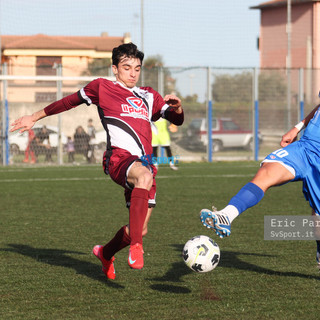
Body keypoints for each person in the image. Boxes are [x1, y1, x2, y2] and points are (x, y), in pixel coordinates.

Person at [10, 42, 184, 279]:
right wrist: (35, 116)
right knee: (144, 178)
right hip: (119, 159)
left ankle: (105, 253)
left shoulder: (148, 94)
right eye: (126, 67)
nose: (132, 73)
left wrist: (178, 108)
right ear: (115, 68)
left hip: (145, 164)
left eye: (137, 68)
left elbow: (175, 118)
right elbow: (68, 101)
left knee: (139, 229)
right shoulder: (101, 87)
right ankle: (136, 249)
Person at [200, 102, 320, 268]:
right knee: (266, 172)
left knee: (317, 217)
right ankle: (226, 215)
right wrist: (297, 127)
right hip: (306, 147)